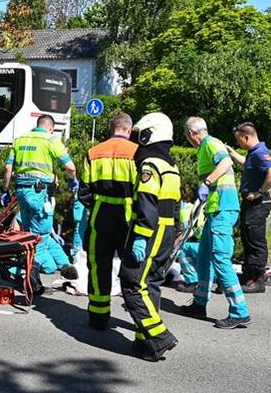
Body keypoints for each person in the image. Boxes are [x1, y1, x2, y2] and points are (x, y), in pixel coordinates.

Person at [119, 112, 180, 361]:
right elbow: (175, 203)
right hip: (166, 229)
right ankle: (144, 342)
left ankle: (159, 337)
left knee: (133, 283)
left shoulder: (150, 164)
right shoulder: (170, 164)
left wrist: (141, 236)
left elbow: (147, 202)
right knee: (150, 283)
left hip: (150, 229)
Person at [181, 117, 251, 329]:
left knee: (220, 258)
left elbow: (227, 162)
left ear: (191, 134)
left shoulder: (211, 143)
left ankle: (240, 312)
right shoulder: (205, 147)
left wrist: (207, 182)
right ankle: (200, 303)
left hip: (223, 209)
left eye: (187, 136)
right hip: (214, 209)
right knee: (203, 258)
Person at [2, 115, 78, 294]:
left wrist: (5, 190)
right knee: (41, 236)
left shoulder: (20, 140)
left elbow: (8, 168)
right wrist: (73, 180)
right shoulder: (51, 139)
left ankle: (65, 265)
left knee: (32, 234)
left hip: (22, 192)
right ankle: (29, 278)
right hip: (40, 194)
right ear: (50, 128)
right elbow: (71, 167)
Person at [78, 112, 138, 330]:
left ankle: (98, 316)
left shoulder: (93, 152)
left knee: (98, 265)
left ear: (110, 128)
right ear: (129, 130)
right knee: (133, 268)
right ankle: (138, 317)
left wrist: (97, 204)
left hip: (100, 215)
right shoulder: (137, 152)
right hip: (128, 217)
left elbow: (83, 192)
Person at [227, 122, 271, 293]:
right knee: (248, 238)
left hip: (257, 203)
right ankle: (249, 275)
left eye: (238, 140)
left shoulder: (260, 152)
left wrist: (259, 191)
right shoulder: (253, 153)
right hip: (250, 203)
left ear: (246, 137)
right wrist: (232, 153)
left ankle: (258, 280)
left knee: (255, 241)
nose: (238, 143)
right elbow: (248, 165)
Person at [175, 185, 205, 293]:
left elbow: (186, 232)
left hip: (199, 244)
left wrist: (175, 244)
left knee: (181, 248)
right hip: (206, 242)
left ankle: (192, 281)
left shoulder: (183, 210)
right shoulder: (195, 207)